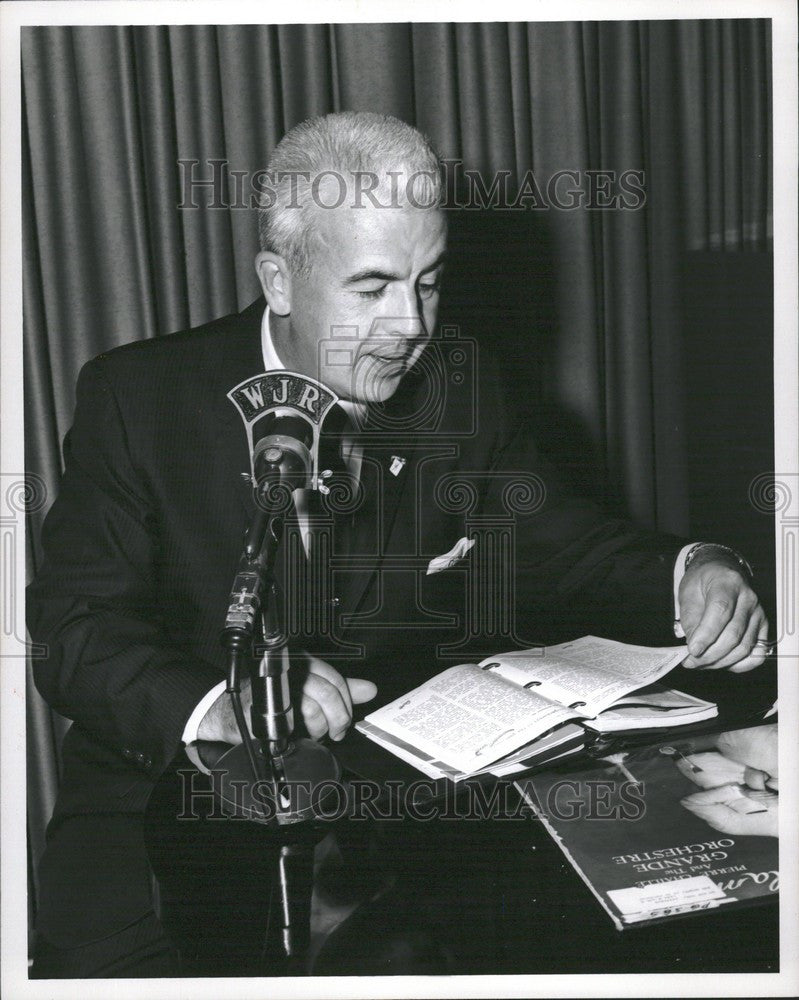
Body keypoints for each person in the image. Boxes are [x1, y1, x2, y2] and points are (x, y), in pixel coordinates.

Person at [27, 111, 771, 978]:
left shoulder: (458, 385)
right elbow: (73, 628)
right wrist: (226, 705)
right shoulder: (140, 397)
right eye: (371, 286)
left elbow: (565, 547)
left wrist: (695, 567)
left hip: (388, 820)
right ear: (279, 279)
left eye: (427, 282)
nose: (409, 324)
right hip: (163, 809)